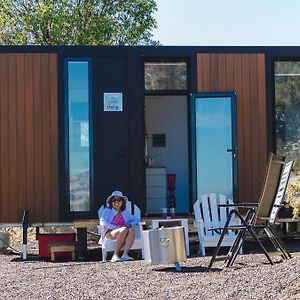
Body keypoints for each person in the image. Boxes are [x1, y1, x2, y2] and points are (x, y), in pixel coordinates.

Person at [100, 191, 140, 262]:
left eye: (119, 200)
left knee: (131, 230)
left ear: (122, 202)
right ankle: (115, 255)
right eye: (114, 200)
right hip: (110, 233)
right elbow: (103, 222)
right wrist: (116, 227)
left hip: (123, 232)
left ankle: (125, 254)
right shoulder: (107, 211)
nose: (116, 202)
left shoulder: (125, 213)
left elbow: (137, 219)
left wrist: (130, 224)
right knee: (124, 229)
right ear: (111, 202)